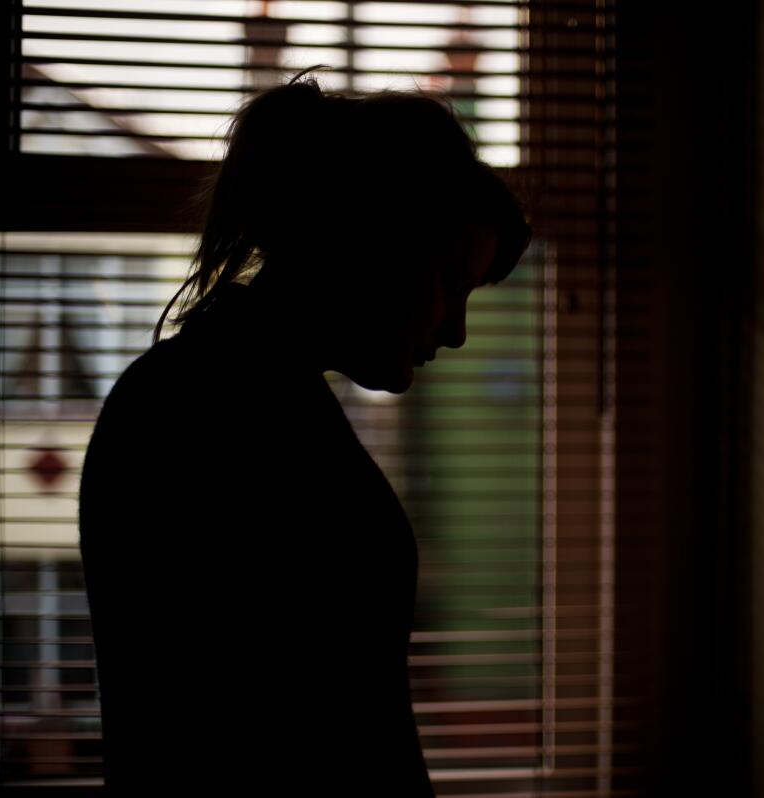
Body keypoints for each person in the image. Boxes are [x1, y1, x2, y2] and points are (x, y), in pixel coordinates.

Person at [77, 67, 532, 794]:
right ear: (369, 244)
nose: (457, 332)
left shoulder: (243, 395)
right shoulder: (212, 417)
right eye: (451, 282)